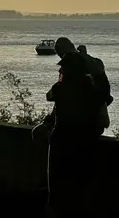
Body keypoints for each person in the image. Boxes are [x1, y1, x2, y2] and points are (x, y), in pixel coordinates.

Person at [46, 51, 106, 216]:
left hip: (61, 143)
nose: (60, 72)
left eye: (62, 69)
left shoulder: (59, 88)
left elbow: (49, 96)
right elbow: (104, 94)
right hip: (84, 144)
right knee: (79, 190)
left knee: (57, 191)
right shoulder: (90, 90)